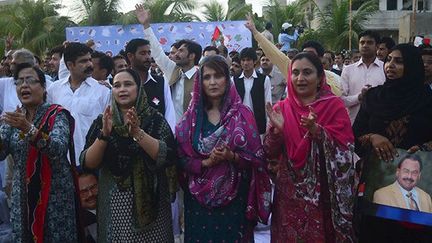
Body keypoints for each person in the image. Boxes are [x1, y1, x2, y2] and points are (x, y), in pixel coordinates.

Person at [176, 55, 271, 242]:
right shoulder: (190, 119)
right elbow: (180, 158)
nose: (212, 82)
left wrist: (232, 156)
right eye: (207, 77)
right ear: (200, 82)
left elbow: (257, 159)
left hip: (236, 200)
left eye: (218, 76)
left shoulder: (243, 114)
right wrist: (205, 162)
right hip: (198, 202)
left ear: (227, 80)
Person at [264, 52, 356, 242]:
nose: (300, 78)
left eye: (307, 72)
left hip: (323, 196)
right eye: (295, 73)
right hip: (288, 195)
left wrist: (318, 132)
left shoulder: (334, 106)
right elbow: (269, 153)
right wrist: (277, 132)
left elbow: (346, 151)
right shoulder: (281, 109)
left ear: (320, 77)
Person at [81, 69, 176, 242]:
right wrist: (104, 135)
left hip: (152, 204)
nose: (122, 89)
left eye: (128, 84)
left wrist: (138, 133)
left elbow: (167, 156)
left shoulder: (155, 119)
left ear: (139, 89)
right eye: (117, 85)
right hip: (113, 201)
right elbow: (88, 163)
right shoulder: (103, 121)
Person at [353, 44, 432, 242]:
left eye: (399, 61)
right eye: (388, 60)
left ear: (413, 66)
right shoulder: (374, 97)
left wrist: (424, 148)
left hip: (417, 185)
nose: (390, 65)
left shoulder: (427, 101)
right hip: (376, 181)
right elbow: (354, 136)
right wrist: (372, 137)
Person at [0, 63, 81, 242]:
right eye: (19, 81)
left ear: (44, 87)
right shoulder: (13, 118)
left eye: (30, 80)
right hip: (22, 197)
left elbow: (58, 149)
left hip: (54, 195)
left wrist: (28, 128)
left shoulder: (57, 114)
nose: (24, 85)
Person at [244, 14, 343, 97]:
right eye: (304, 54)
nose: (300, 79)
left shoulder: (333, 79)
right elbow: (275, 53)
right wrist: (255, 32)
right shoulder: (292, 69)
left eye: (311, 55)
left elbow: (338, 100)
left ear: (321, 59)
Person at [136, 4, 202, 122]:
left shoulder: (202, 78)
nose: (176, 54)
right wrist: (146, 26)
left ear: (192, 56)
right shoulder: (173, 69)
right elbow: (157, 52)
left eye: (181, 51)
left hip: (192, 131)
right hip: (171, 130)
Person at [47, 42, 111, 164]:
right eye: (83, 61)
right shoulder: (54, 90)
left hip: (91, 161)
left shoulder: (103, 91)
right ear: (70, 65)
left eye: (89, 60)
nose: (89, 64)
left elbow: (107, 128)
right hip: (60, 161)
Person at [341, 30, 386, 124]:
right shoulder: (348, 70)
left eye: (369, 42)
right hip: (352, 123)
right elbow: (341, 100)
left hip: (379, 123)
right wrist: (359, 97)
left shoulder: (385, 68)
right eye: (362, 42)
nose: (365, 45)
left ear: (377, 46)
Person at [234, 47, 272, 135]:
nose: (245, 63)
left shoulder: (264, 79)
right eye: (243, 60)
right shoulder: (234, 80)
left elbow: (268, 102)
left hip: (259, 124)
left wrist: (268, 126)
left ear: (254, 61)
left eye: (248, 60)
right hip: (239, 124)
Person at [78, 171, 98, 243]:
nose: (90, 194)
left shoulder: (114, 209)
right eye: (84, 192)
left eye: (93, 187)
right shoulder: (78, 223)